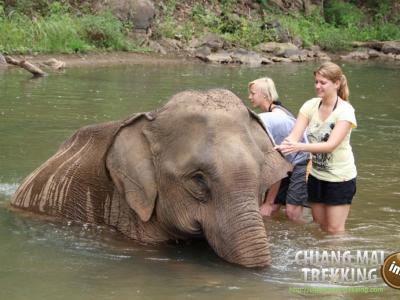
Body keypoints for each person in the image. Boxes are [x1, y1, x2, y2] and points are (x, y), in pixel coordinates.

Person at [275, 62, 357, 234]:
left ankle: (336, 260)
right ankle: (320, 260)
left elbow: (330, 145)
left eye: (323, 83)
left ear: (337, 83)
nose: (318, 86)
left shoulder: (345, 111)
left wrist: (298, 147)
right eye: (316, 82)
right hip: (316, 176)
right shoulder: (310, 105)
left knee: (334, 230)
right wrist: (280, 147)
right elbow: (293, 137)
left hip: (340, 178)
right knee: (320, 227)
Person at [248, 77, 309, 221]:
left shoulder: (269, 118)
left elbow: (276, 164)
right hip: (288, 161)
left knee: (290, 211)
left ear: (264, 95)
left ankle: (300, 238)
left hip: (301, 161)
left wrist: (268, 202)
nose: (249, 97)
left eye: (252, 93)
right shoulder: (277, 111)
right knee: (273, 209)